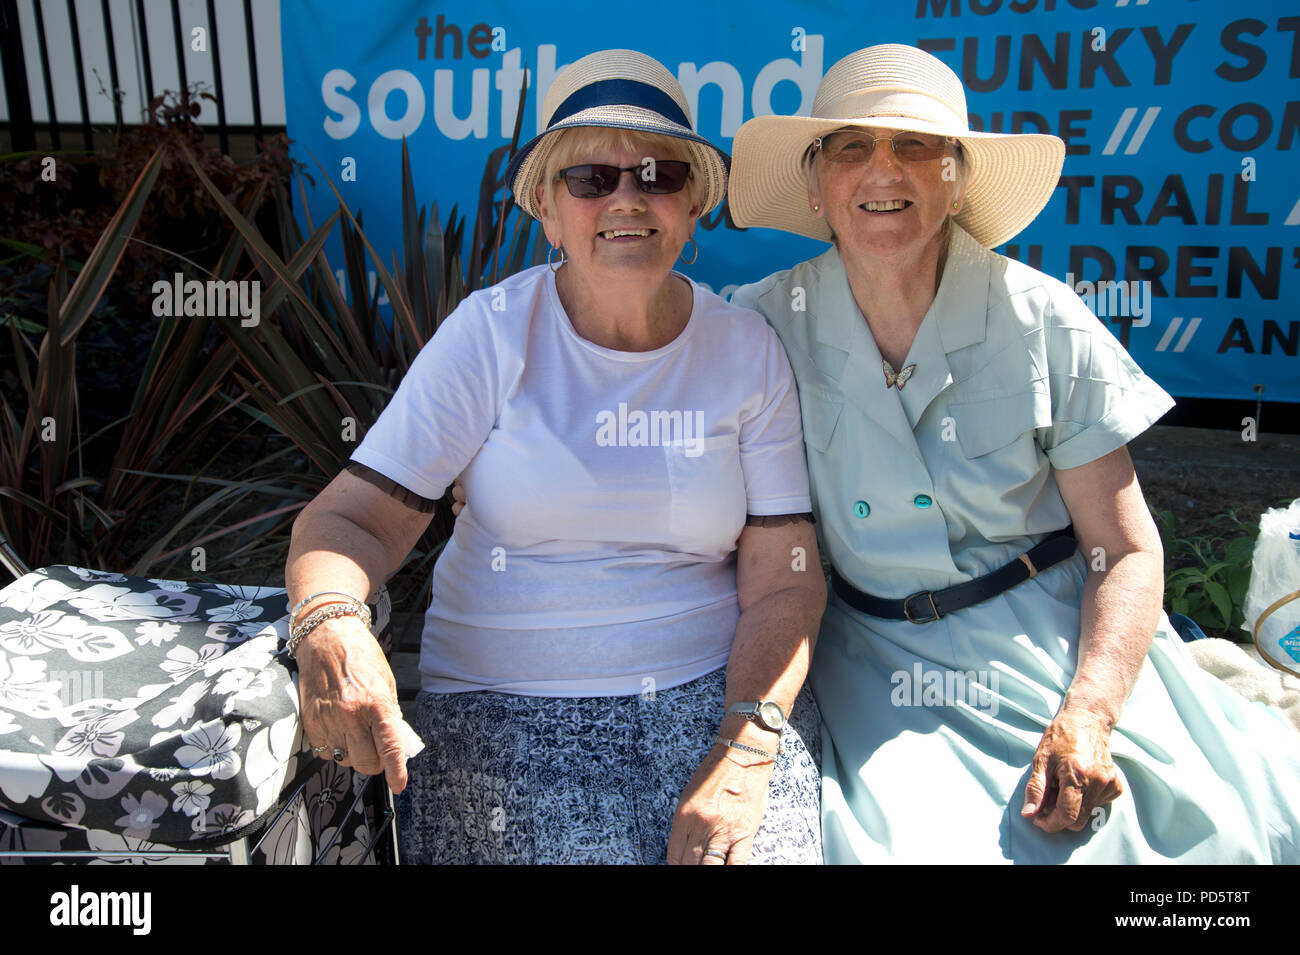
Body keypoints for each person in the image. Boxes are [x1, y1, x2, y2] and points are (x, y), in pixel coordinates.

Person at [725, 43, 1300, 863]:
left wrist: (1091, 710)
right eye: (853, 146)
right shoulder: (763, 323)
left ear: (956, 177)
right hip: (871, 655)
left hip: (1051, 639)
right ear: (816, 184)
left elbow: (1128, 549)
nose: (883, 170)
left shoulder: (1044, 319)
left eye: (916, 145)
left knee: (1181, 841)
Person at [284, 49, 825, 865]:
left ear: (693, 205)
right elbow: (351, 518)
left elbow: (785, 575)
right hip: (508, 710)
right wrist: (331, 621)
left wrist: (746, 748)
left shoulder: (745, 349)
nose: (627, 199)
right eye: (590, 180)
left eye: (657, 174)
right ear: (544, 204)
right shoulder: (491, 334)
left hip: (717, 699)